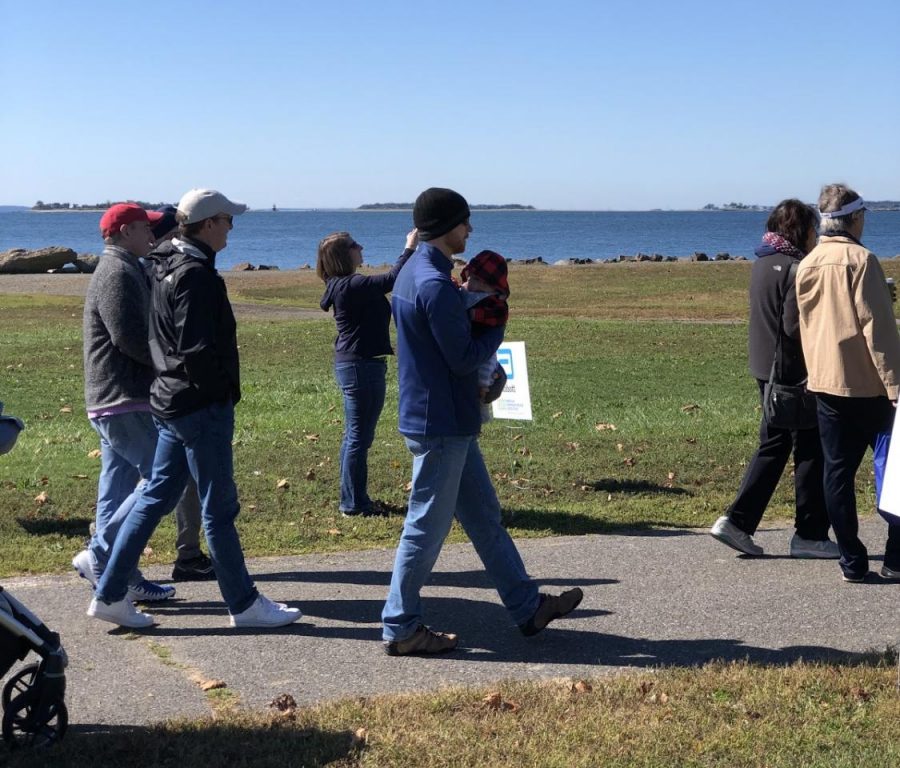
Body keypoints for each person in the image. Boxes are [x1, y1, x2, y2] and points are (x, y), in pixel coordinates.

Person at [381, 187, 583, 655]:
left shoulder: (417, 271)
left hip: (445, 418)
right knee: (424, 529)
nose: (470, 230)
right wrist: (497, 335)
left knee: (485, 518)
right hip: (441, 424)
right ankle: (400, 627)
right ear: (445, 226)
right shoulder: (434, 284)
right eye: (465, 222)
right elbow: (462, 358)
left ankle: (528, 606)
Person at [88, 189, 302, 628]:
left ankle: (110, 592)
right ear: (207, 224)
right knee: (217, 508)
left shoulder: (164, 263)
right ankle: (243, 604)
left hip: (170, 400)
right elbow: (195, 347)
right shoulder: (195, 275)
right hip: (196, 405)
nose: (231, 227)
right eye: (226, 219)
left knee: (155, 494)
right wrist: (219, 391)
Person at [710, 200, 839, 558]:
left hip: (764, 366)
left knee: (775, 443)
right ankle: (809, 533)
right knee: (810, 447)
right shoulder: (797, 268)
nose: (817, 235)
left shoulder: (762, 262)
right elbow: (794, 327)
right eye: (813, 228)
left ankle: (739, 522)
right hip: (791, 372)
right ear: (802, 230)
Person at [72, 203, 180, 603]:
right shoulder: (117, 271)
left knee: (116, 487)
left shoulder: (126, 266)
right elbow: (129, 337)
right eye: (143, 227)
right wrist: (172, 364)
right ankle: (100, 556)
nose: (151, 234)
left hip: (115, 396)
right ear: (121, 232)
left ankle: (123, 572)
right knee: (164, 481)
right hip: (123, 396)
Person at [795, 183, 900, 583]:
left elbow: (806, 325)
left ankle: (852, 561)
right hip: (869, 386)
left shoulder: (808, 262)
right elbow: (878, 330)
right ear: (855, 218)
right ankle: (895, 556)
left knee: (836, 473)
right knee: (894, 472)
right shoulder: (862, 260)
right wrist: (895, 385)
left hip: (825, 382)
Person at [317, 227, 418, 516]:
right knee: (358, 437)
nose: (360, 246)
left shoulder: (343, 284)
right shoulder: (351, 284)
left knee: (357, 436)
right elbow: (391, 279)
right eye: (353, 244)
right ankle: (353, 503)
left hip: (360, 364)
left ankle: (354, 498)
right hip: (360, 366)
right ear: (342, 255)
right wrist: (408, 247)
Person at [148, 206, 215, 582]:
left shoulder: (160, 269)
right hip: (167, 393)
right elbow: (180, 343)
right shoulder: (171, 272)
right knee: (155, 487)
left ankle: (187, 553)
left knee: (165, 484)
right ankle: (107, 557)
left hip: (163, 390)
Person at [459, 249, 511, 424]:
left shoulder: (494, 303)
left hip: (485, 347)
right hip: (474, 345)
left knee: (485, 375)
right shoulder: (467, 290)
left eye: (479, 281)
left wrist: (471, 314)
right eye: (471, 278)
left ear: (494, 287)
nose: (472, 285)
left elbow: (496, 316)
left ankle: (481, 409)